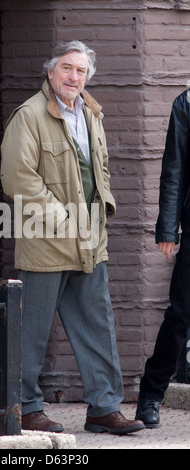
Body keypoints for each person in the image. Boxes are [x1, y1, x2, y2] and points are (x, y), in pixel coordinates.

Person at [0, 40, 145, 435]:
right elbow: (17, 178)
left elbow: (101, 171)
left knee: (97, 328)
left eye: (80, 71)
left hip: (90, 241)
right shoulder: (28, 115)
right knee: (32, 332)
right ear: (50, 73)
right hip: (47, 240)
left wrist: (105, 208)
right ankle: (27, 409)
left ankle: (103, 409)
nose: (73, 76)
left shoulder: (91, 112)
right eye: (67, 68)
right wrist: (63, 219)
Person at [135, 89, 190, 428]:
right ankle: (151, 394)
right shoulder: (187, 104)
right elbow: (175, 169)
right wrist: (167, 228)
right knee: (182, 314)